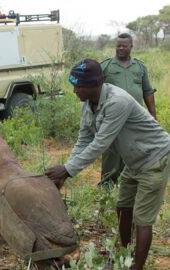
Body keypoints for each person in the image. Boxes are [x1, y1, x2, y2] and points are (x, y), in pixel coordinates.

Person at [45, 58, 170, 270]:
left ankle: (136, 267)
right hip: (133, 161)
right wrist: (65, 170)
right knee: (123, 207)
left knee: (142, 218)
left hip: (154, 158)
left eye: (77, 85)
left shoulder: (117, 102)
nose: (74, 90)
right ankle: (126, 253)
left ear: (93, 85)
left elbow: (100, 143)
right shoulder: (87, 105)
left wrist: (67, 170)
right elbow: (84, 139)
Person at [99, 33, 157, 188]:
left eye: (124, 45)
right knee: (111, 153)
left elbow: (148, 92)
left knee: (134, 152)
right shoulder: (105, 66)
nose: (121, 48)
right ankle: (107, 188)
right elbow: (96, 92)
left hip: (135, 120)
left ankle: (128, 187)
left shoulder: (139, 67)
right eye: (118, 45)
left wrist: (153, 117)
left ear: (131, 46)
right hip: (112, 119)